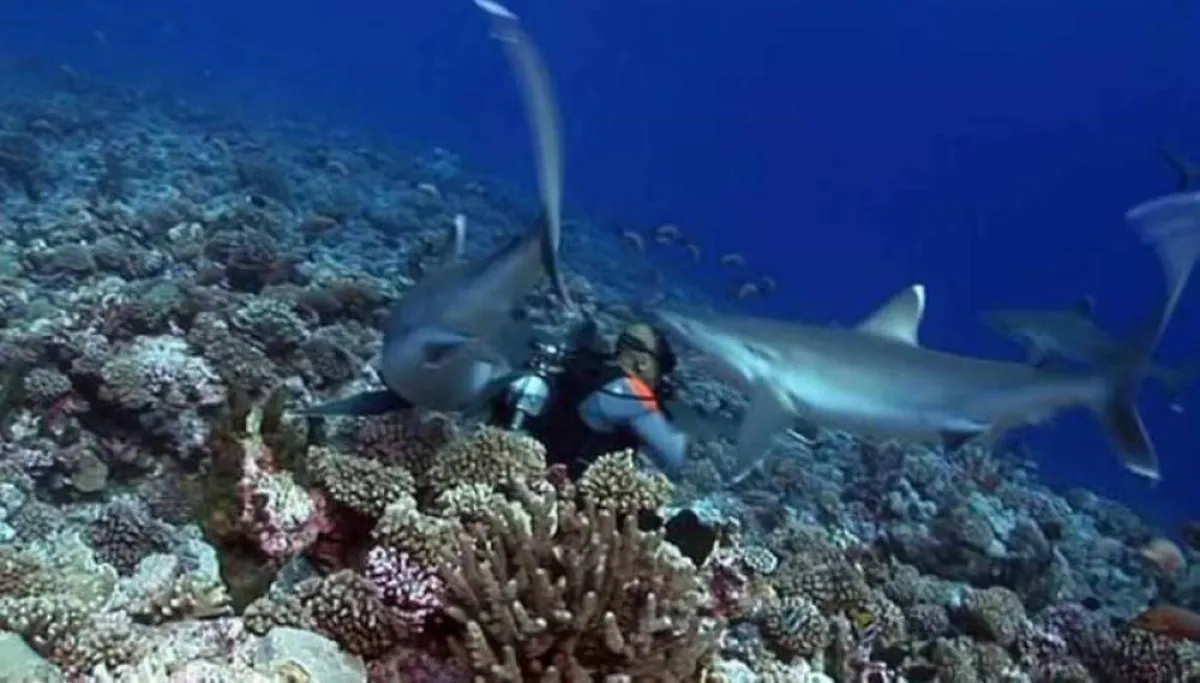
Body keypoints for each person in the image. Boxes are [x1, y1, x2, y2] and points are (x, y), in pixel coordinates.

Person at [502, 319, 690, 479]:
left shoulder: (591, 367)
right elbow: (675, 454)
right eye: (661, 370)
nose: (661, 381)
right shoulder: (630, 391)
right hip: (552, 481)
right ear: (643, 363)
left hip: (525, 457)